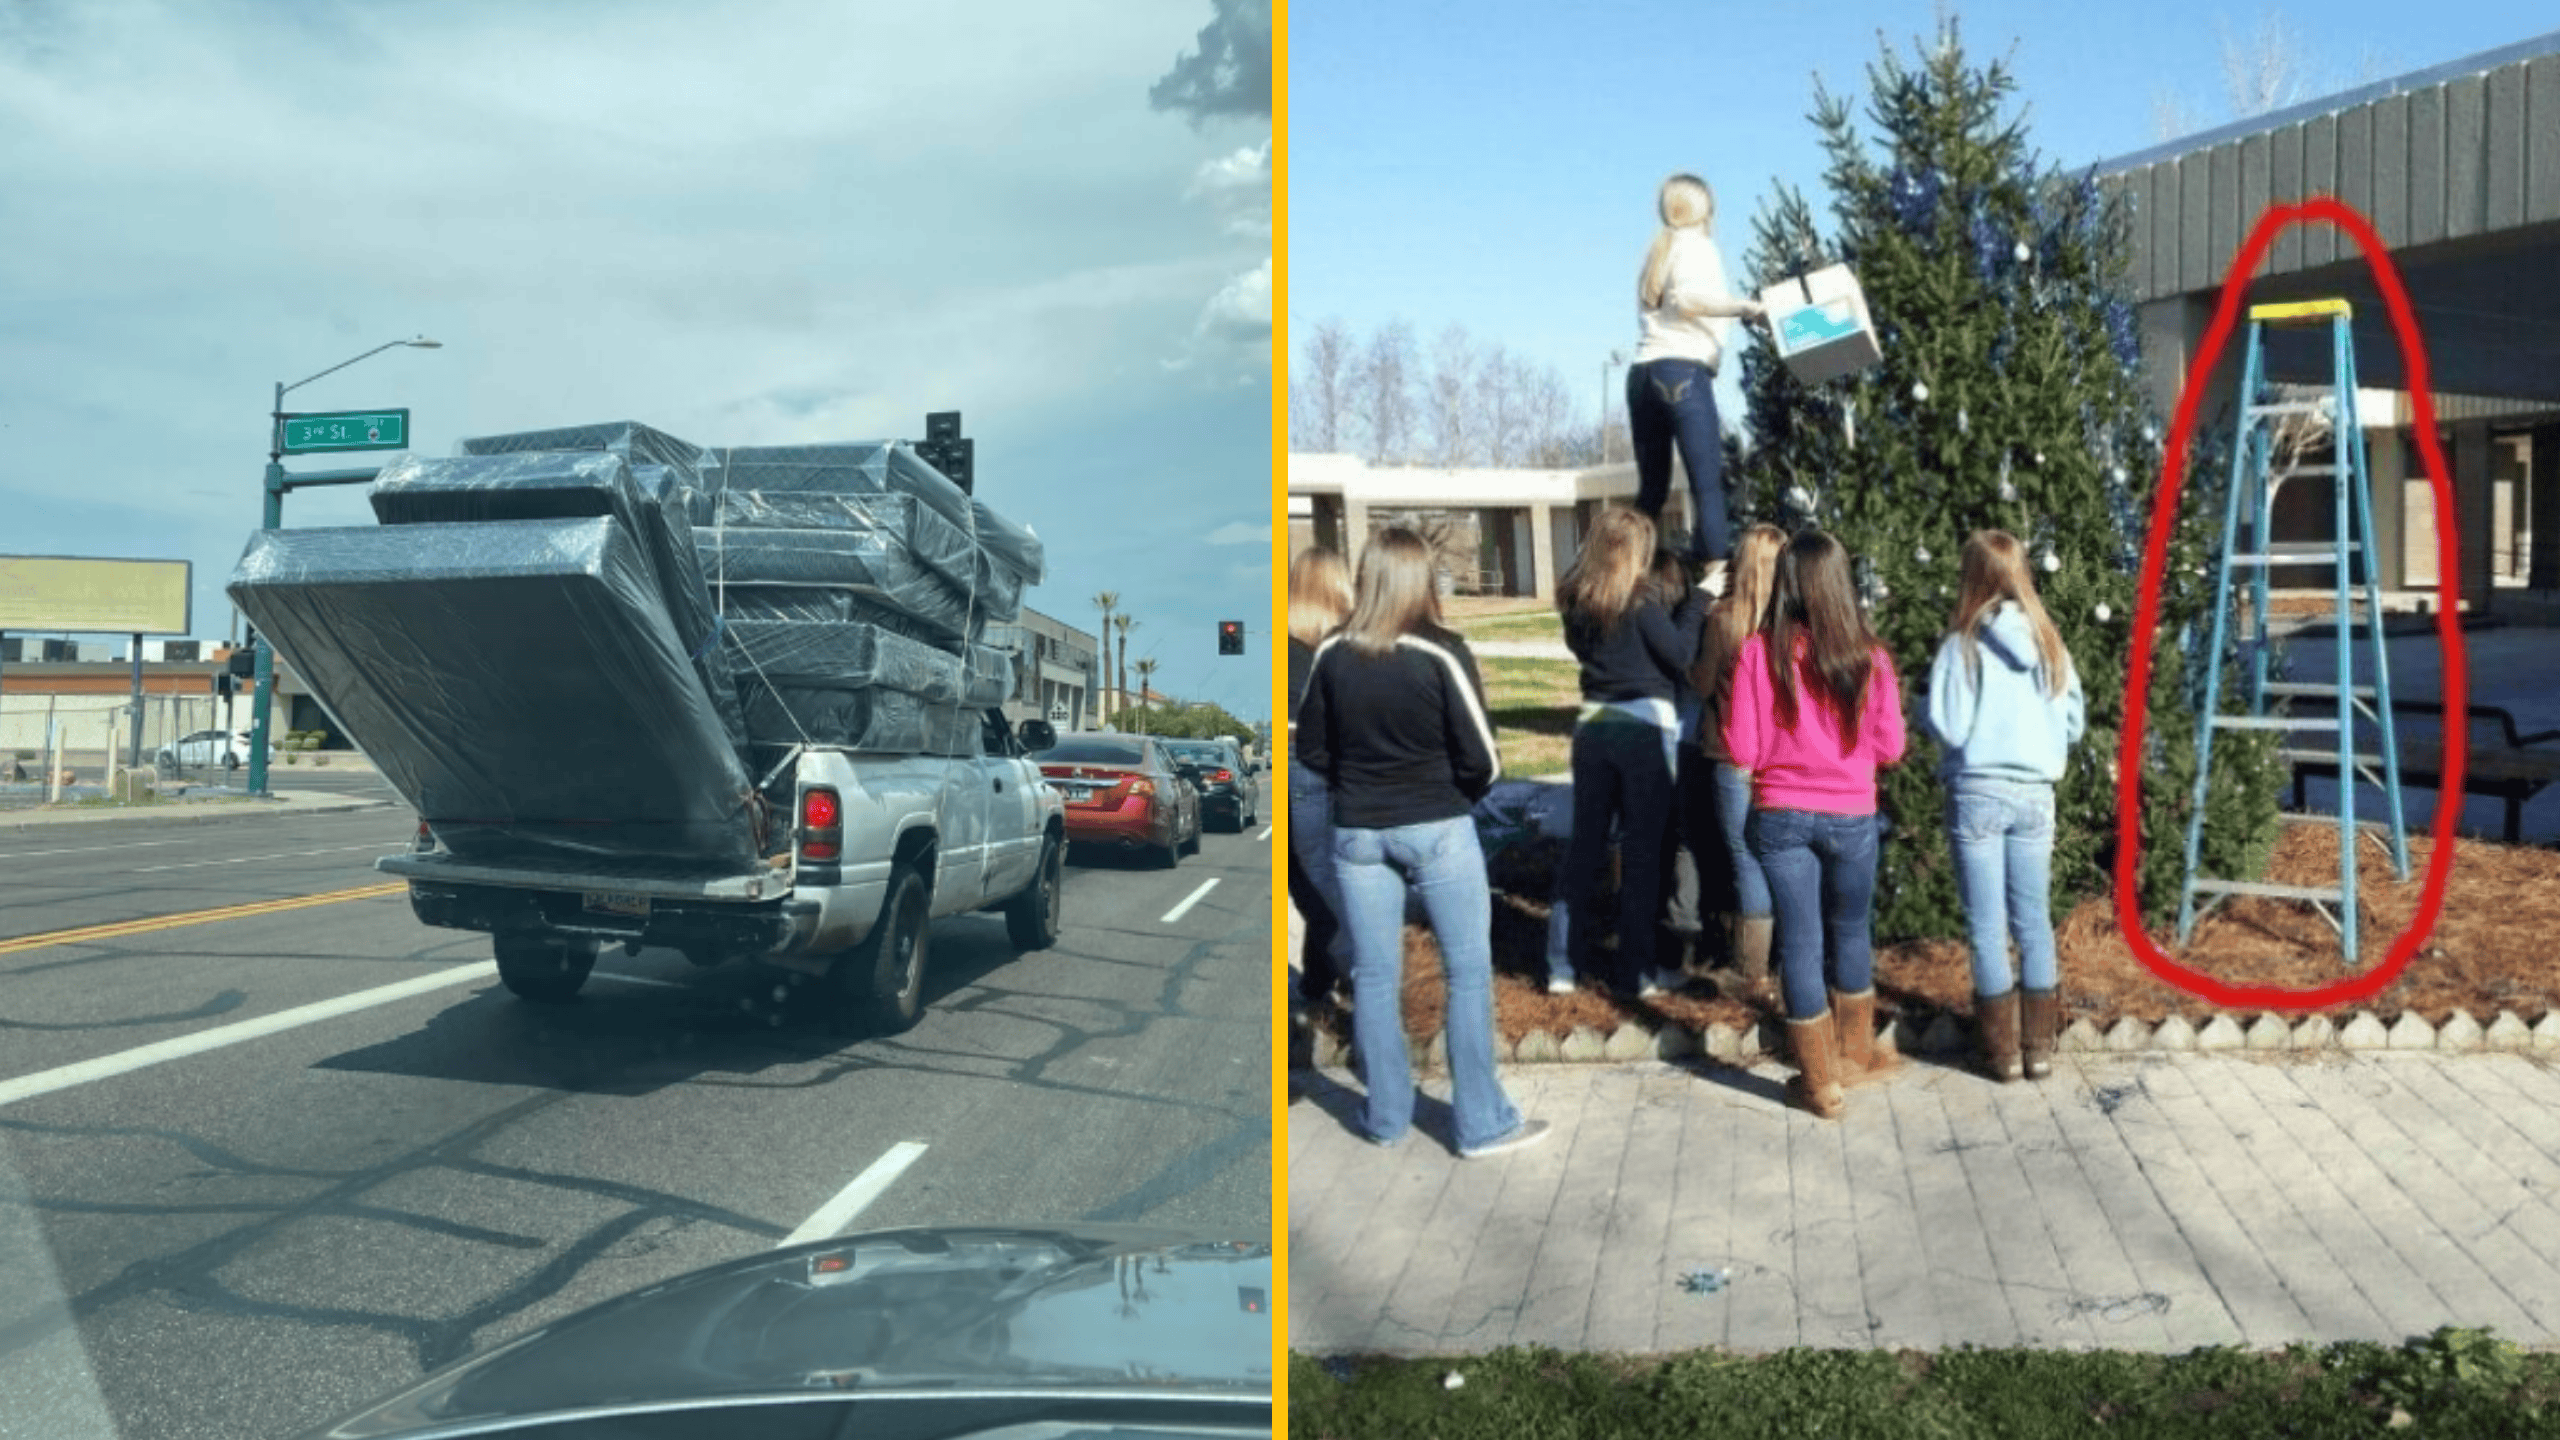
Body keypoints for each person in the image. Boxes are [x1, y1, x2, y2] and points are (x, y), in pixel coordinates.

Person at [1296, 528, 1545, 1159]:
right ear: (1421, 580)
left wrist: (1361, 787)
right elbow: (1484, 758)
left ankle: (1384, 1118)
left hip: (1357, 834)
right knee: (1467, 973)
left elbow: (1312, 751)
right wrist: (1448, 797)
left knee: (1375, 977)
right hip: (1436, 828)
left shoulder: (1329, 653)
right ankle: (1481, 1124)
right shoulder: (1442, 652)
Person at [1723, 529, 1906, 1119]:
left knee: (1800, 942)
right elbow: (1893, 745)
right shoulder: (1869, 657)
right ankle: (1854, 1058)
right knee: (1850, 929)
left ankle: (1820, 1084)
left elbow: (1744, 749)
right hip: (1852, 814)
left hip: (1779, 816)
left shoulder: (1757, 653)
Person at [1924, 530, 2086, 1084]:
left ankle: (2000, 1055)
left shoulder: (1961, 645)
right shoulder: (2050, 643)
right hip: (2036, 795)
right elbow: (2075, 723)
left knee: (1988, 927)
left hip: (1977, 793)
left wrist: (1917, 706)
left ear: (1971, 576)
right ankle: (2039, 1049)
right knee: (2034, 922)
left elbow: (1948, 724)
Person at [1557, 506, 1707, 999]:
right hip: (1645, 730)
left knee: (1585, 850)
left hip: (1594, 727)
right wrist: (1700, 599)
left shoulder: (1578, 601)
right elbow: (1682, 655)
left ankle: (1562, 964)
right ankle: (1636, 973)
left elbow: (1586, 654)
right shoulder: (1643, 604)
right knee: (1643, 856)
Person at [1629, 173, 1765, 577]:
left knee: (1651, 491)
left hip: (1642, 375)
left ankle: (1623, 572)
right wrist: (1747, 308)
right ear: (1704, 207)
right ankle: (1715, 579)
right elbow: (1687, 298)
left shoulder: (1659, 251)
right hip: (1682, 372)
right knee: (1707, 485)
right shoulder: (1697, 246)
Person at [1686, 522, 1786, 1002]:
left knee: (1746, 859)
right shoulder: (1793, 625)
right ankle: (1792, 961)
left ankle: (1753, 972)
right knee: (1783, 857)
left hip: (1731, 753)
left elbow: (1701, 684)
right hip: (1785, 757)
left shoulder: (1723, 620)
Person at [1286, 546, 1354, 1019]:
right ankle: (1324, 976)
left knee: (1310, 880)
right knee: (1330, 877)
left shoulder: (1287, 647)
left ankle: (1338, 974)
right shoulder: (1349, 646)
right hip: (1340, 760)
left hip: (1297, 758)